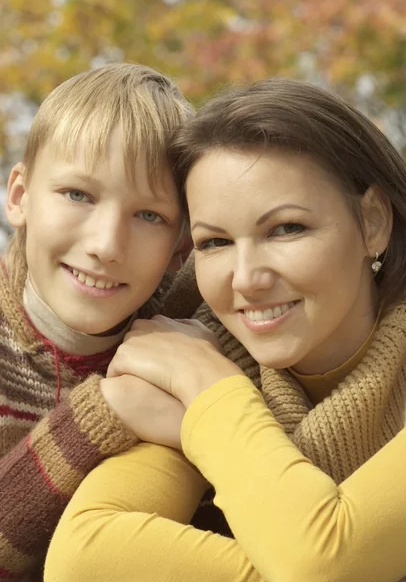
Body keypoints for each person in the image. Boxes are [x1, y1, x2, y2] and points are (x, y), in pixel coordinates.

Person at [45, 78, 406, 582]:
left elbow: (326, 562)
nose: (247, 279)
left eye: (286, 229)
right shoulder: (197, 349)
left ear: (372, 223)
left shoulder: (201, 375)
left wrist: (215, 393)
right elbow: (85, 559)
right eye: (215, 242)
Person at [0, 62, 204, 581]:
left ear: (181, 246)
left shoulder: (185, 340)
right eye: (78, 195)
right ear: (20, 196)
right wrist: (103, 414)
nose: (106, 246)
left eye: (149, 216)